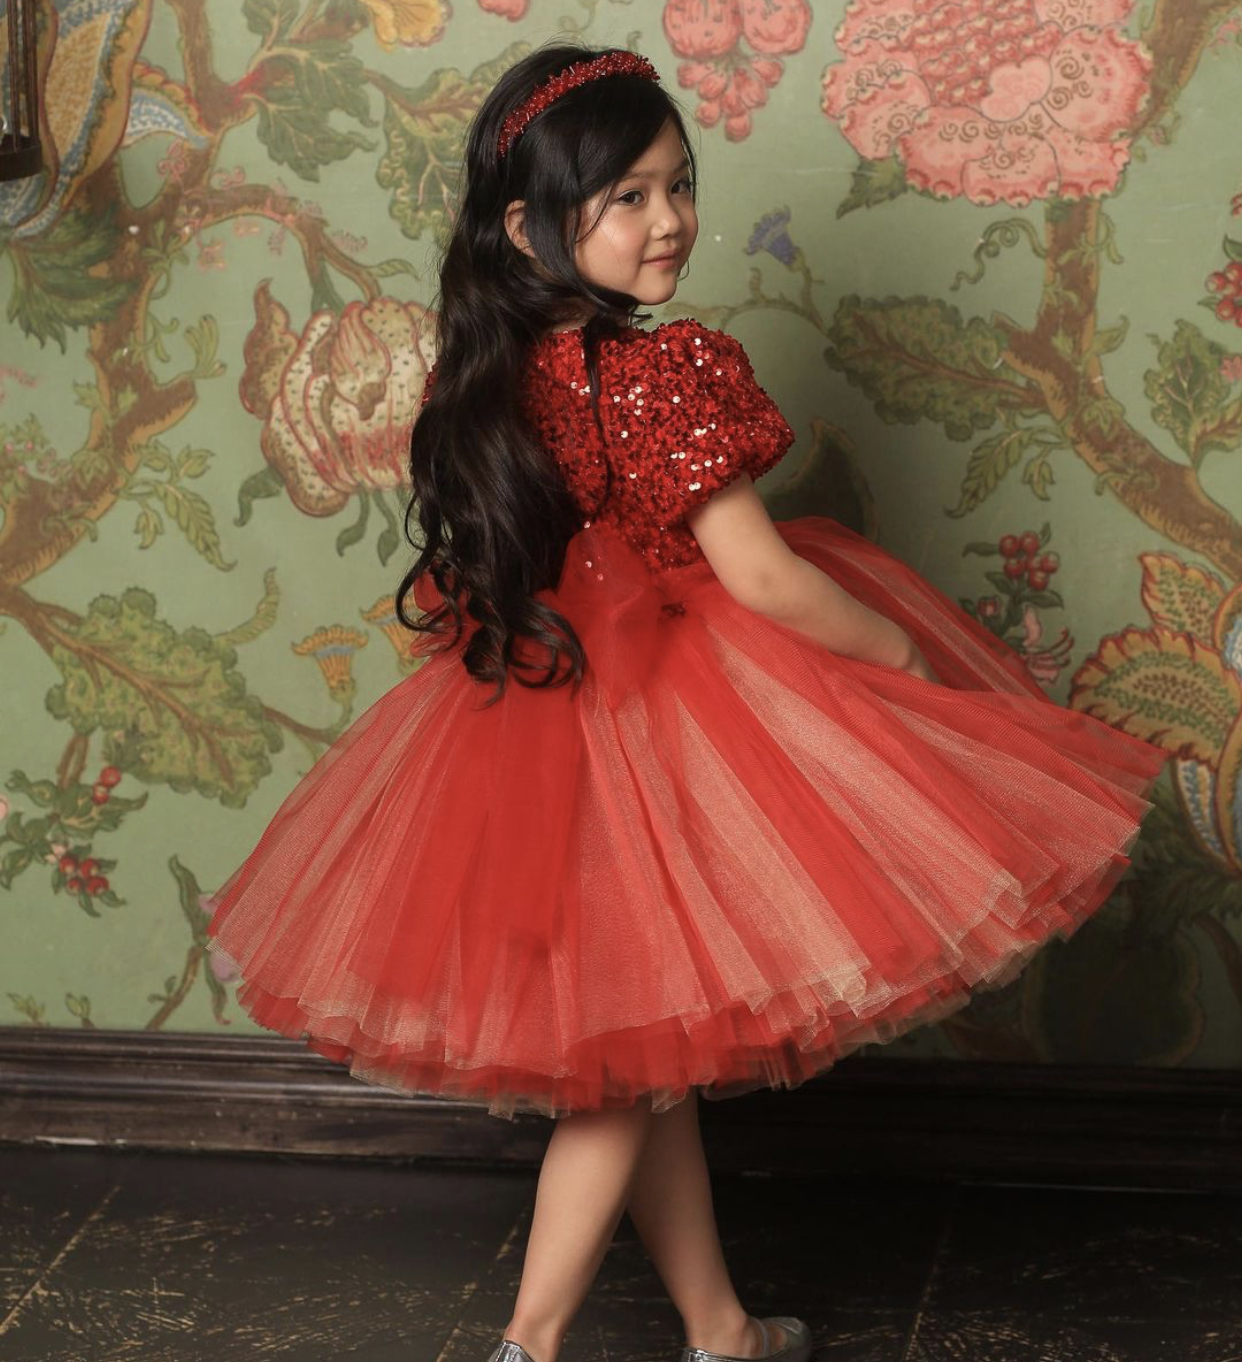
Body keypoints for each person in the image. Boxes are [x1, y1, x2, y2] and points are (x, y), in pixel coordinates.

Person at [205, 43, 1169, 1362]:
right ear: (527, 226)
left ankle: (720, 1330)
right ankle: (527, 1344)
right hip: (659, 727)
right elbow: (764, 580)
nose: (668, 221)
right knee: (619, 1082)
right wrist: (898, 654)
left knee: (643, 1056)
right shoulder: (659, 373)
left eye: (679, 185)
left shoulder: (483, 378)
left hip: (539, 724)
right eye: (627, 198)